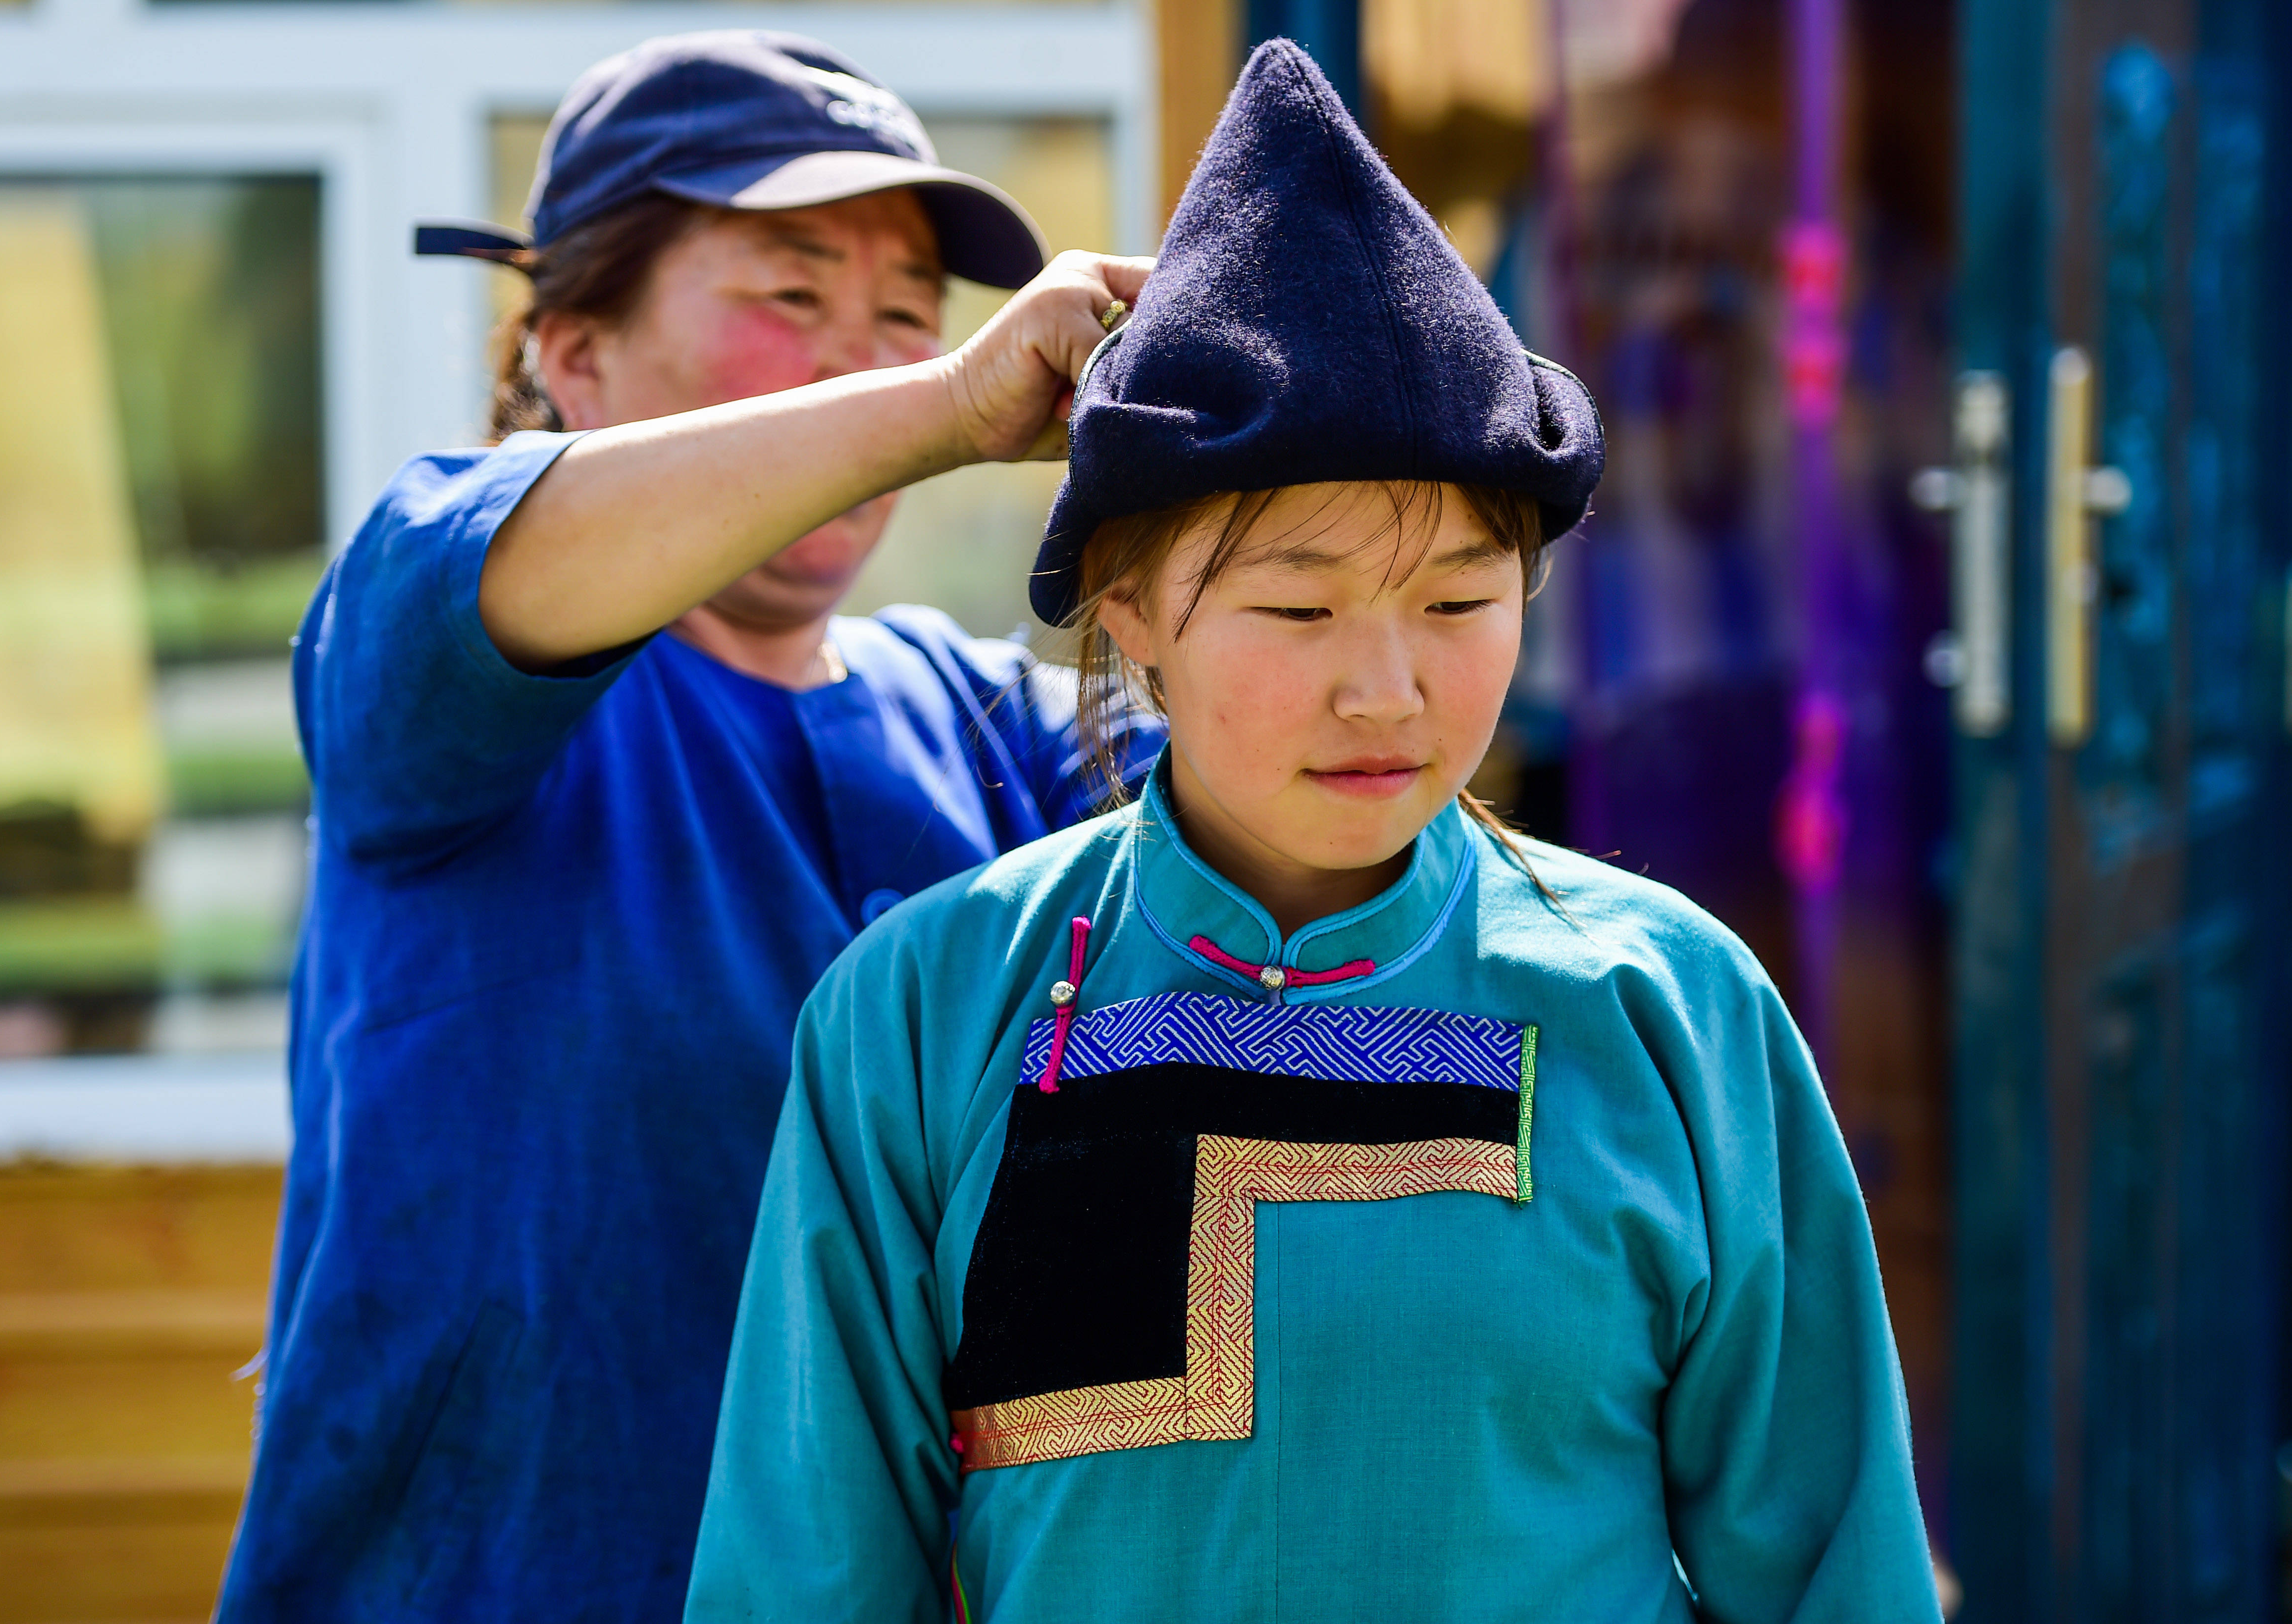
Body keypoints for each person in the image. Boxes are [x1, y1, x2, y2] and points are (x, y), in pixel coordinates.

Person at [686, 41, 1939, 1623]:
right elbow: (804, 1582)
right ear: (1129, 609)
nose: (1388, 688)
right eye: (1297, 604)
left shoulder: (1670, 1011)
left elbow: (1838, 1572)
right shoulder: (924, 1019)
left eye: (1460, 602)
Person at [215, 31, 1158, 1621]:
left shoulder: (998, 725)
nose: (863, 358)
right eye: (791, 296)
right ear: (572, 348)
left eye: (907, 318)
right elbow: (497, 553)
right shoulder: (431, 630)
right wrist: (940, 396)